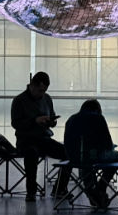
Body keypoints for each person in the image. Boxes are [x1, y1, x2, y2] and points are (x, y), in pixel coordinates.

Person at [11, 71, 70, 201]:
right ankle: (31, 192)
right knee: (31, 154)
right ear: (31, 85)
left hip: (44, 139)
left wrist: (51, 122)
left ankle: (60, 188)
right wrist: (35, 121)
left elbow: (51, 117)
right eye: (39, 91)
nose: (41, 94)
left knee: (68, 153)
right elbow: (15, 123)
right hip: (26, 140)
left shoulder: (47, 98)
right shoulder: (19, 100)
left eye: (44, 91)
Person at [64, 99, 118, 210]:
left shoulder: (71, 119)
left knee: (86, 162)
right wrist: (110, 148)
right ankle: (101, 187)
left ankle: (92, 192)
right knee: (117, 156)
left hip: (73, 157)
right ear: (97, 109)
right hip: (93, 156)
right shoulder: (99, 118)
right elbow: (108, 144)